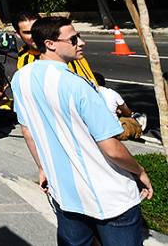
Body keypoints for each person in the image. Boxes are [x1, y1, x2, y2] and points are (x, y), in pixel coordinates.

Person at [11, 17, 152, 245]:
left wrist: (42, 168)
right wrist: (140, 171)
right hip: (109, 197)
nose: (82, 42)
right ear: (50, 44)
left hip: (65, 195)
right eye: (74, 38)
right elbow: (112, 148)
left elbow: (27, 130)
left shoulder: (21, 78)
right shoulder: (78, 85)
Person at [14, 12, 98, 86]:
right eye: (28, 33)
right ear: (18, 34)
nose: (34, 36)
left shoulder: (67, 47)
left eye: (37, 30)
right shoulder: (26, 62)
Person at [95, 73, 145, 141]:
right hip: (113, 133)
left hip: (92, 131)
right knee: (129, 121)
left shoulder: (85, 93)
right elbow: (127, 112)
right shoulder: (112, 93)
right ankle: (138, 125)